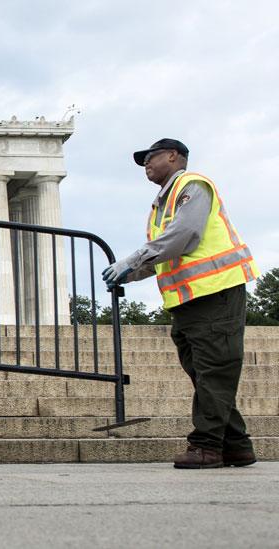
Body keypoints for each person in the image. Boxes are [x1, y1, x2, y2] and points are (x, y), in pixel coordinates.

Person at [102, 138, 260, 469]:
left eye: (150, 157)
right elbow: (163, 256)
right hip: (188, 302)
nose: (146, 163)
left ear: (173, 156)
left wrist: (133, 258)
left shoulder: (191, 186)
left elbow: (185, 235)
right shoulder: (161, 205)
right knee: (205, 374)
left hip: (215, 292)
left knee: (213, 372)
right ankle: (236, 445)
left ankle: (206, 447)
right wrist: (128, 274)